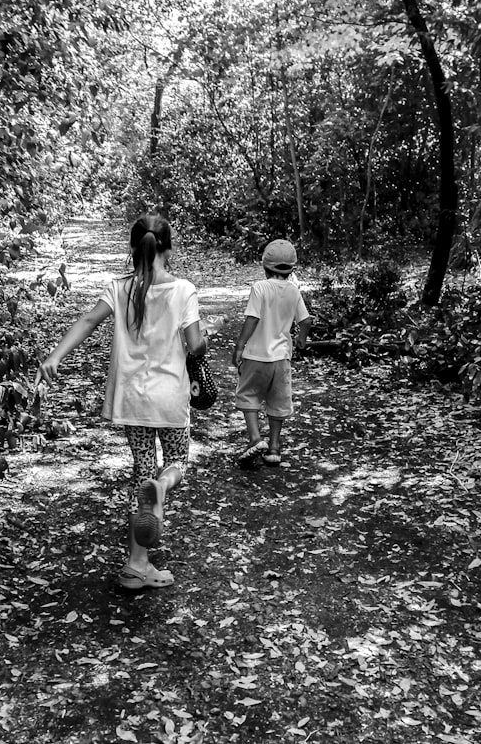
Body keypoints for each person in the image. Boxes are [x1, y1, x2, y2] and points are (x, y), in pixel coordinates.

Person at [36, 214, 207, 590]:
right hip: (170, 399)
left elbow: (87, 321)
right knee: (175, 462)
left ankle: (136, 564)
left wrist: (55, 356)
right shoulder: (183, 291)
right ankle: (162, 487)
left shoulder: (119, 287)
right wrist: (206, 336)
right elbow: (195, 345)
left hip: (132, 401)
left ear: (133, 249)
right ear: (169, 249)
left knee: (140, 470)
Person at [231, 239, 312, 468]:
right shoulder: (293, 291)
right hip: (281, 359)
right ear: (292, 268)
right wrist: (301, 340)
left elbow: (252, 318)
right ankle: (274, 448)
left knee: (248, 396)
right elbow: (305, 321)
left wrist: (239, 346)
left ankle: (256, 440)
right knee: (278, 402)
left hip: (256, 356)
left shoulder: (260, 288)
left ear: (265, 266)